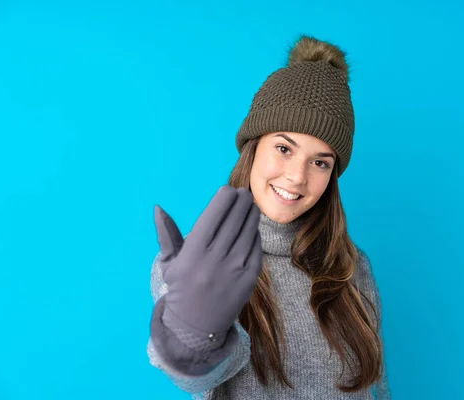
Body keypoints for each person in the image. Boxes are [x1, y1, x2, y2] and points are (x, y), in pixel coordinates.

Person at [147, 35, 390, 399]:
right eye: (283, 148)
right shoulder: (199, 263)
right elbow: (198, 380)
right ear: (253, 146)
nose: (297, 176)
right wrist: (194, 338)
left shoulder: (351, 266)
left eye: (320, 162)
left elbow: (376, 387)